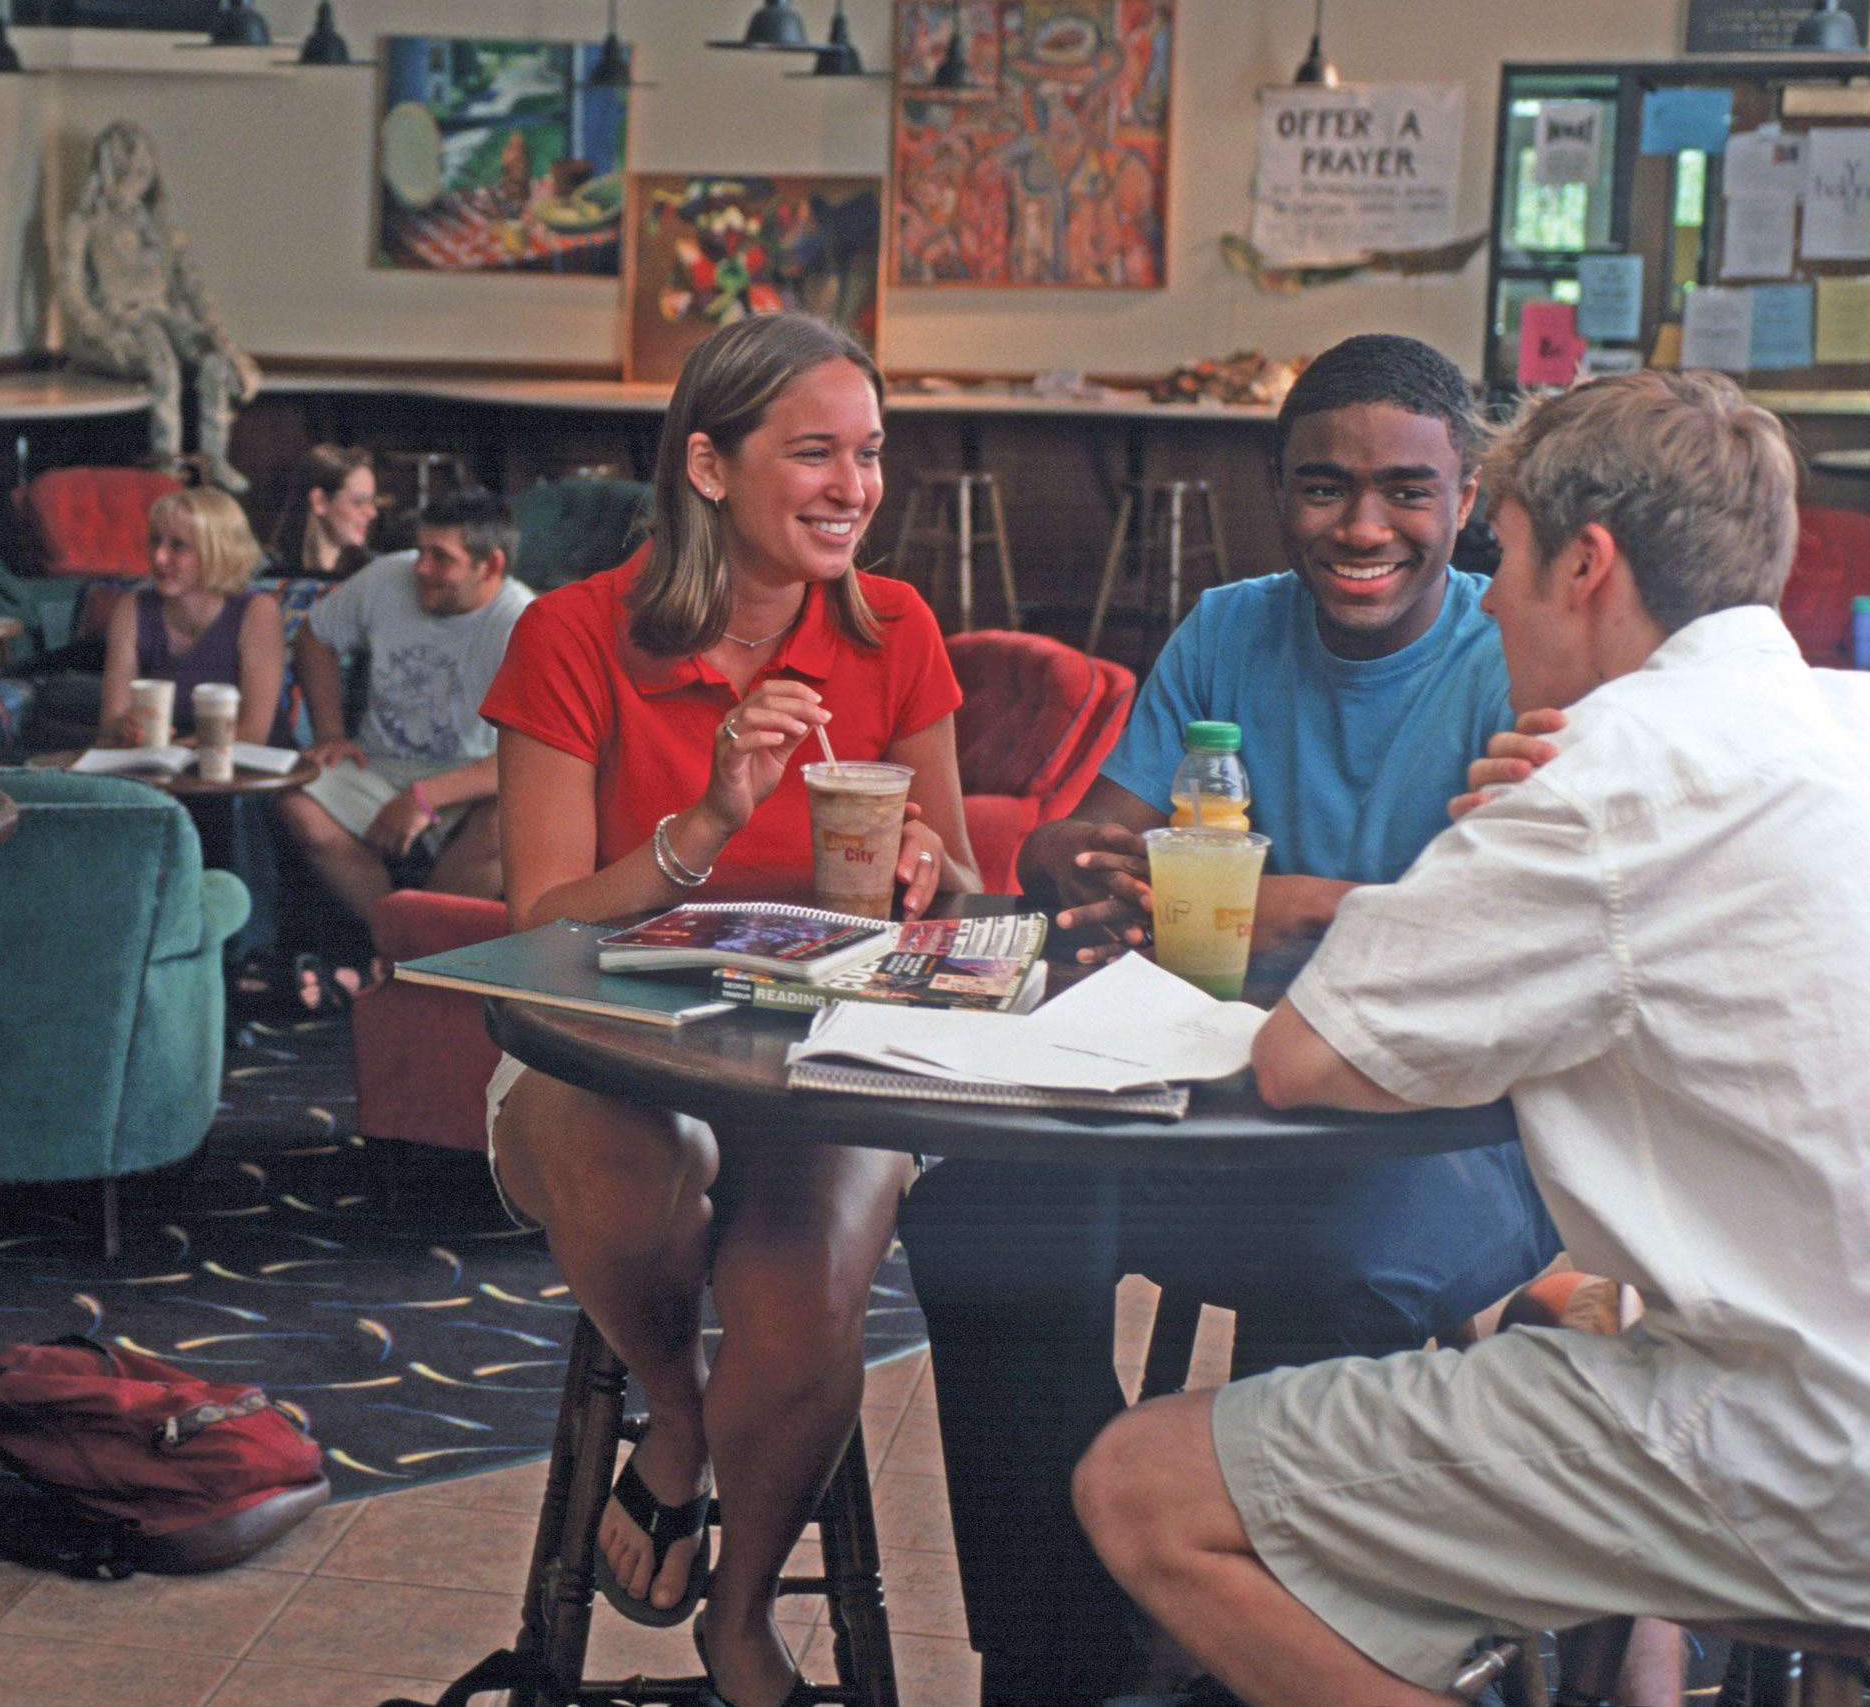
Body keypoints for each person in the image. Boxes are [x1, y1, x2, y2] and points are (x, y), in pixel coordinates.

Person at [1074, 369, 1870, 1707]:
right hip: (1808, 1375)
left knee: (1144, 1484)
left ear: (1588, 562)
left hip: (1799, 1445)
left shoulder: (1599, 778)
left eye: (1497, 553)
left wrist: (1481, 835)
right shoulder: (1855, 720)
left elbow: (1306, 1058)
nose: (1487, 598)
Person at [893, 332, 1563, 1706]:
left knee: (1346, 1259)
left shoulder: (1513, 653)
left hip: (1458, 1137)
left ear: (1469, 496)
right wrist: (1073, 866)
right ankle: (1068, 1654)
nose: (1362, 525)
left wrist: (1287, 905)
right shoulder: (1227, 627)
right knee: (981, 1213)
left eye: (1404, 490)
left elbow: (1521, 931)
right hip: (1220, 1102)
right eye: (1323, 488)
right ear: (1278, 491)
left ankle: (1271, 1656)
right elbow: (1098, 837)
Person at [481, 312, 976, 1707]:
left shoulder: (897, 631)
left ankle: (741, 1606)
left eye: (868, 454)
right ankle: (680, 1420)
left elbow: (970, 888)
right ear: (708, 464)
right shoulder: (574, 635)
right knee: (645, 1163)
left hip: (823, 1063)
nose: (852, 487)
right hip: (597, 1057)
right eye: (814, 452)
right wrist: (701, 823)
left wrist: (929, 874)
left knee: (808, 1285)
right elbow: (535, 925)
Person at [277, 487, 532, 928]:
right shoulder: (386, 576)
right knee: (296, 803)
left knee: (509, 822)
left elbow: (534, 757)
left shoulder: (526, 622)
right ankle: (395, 941)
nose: (421, 568)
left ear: (490, 565)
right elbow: (315, 636)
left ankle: (422, 951)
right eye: (420, 550)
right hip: (378, 766)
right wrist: (330, 732)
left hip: (471, 781)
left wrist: (424, 797)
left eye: (441, 557)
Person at [56, 119, 260, 489]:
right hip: (117, 322)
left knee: (213, 359)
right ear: (109, 170)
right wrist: (98, 329)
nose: (137, 178)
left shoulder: (160, 226)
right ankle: (166, 466)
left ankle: (215, 461)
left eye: (143, 170)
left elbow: (195, 286)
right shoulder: (84, 223)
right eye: (127, 170)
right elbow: (70, 292)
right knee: (160, 362)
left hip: (160, 315)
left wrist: (224, 342)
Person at [99, 486, 283, 747]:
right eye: (155, 540)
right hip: (163, 771)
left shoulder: (257, 611)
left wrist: (169, 750)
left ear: (218, 550)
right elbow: (110, 724)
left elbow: (253, 733)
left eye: (178, 546)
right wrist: (125, 727)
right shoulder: (131, 608)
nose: (159, 557)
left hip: (249, 772)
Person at [265, 444, 380, 584]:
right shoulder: (265, 572)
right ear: (319, 501)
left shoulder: (377, 573)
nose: (372, 513)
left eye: (372, 501)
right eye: (358, 502)